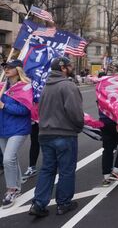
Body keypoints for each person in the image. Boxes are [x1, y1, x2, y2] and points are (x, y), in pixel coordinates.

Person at [29, 57, 84, 217]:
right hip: (64, 133)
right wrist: (78, 127)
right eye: (70, 65)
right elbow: (75, 113)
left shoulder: (46, 87)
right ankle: (64, 203)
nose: (72, 67)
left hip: (45, 133)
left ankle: (38, 204)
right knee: (66, 170)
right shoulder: (68, 86)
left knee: (47, 169)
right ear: (64, 68)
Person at [0, 59, 33, 208]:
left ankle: (11, 190)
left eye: (10, 67)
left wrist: (4, 105)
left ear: (18, 69)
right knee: (11, 159)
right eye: (5, 67)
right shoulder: (2, 87)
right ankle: (18, 186)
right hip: (2, 129)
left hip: (18, 129)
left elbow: (24, 111)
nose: (6, 69)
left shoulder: (25, 87)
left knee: (7, 159)